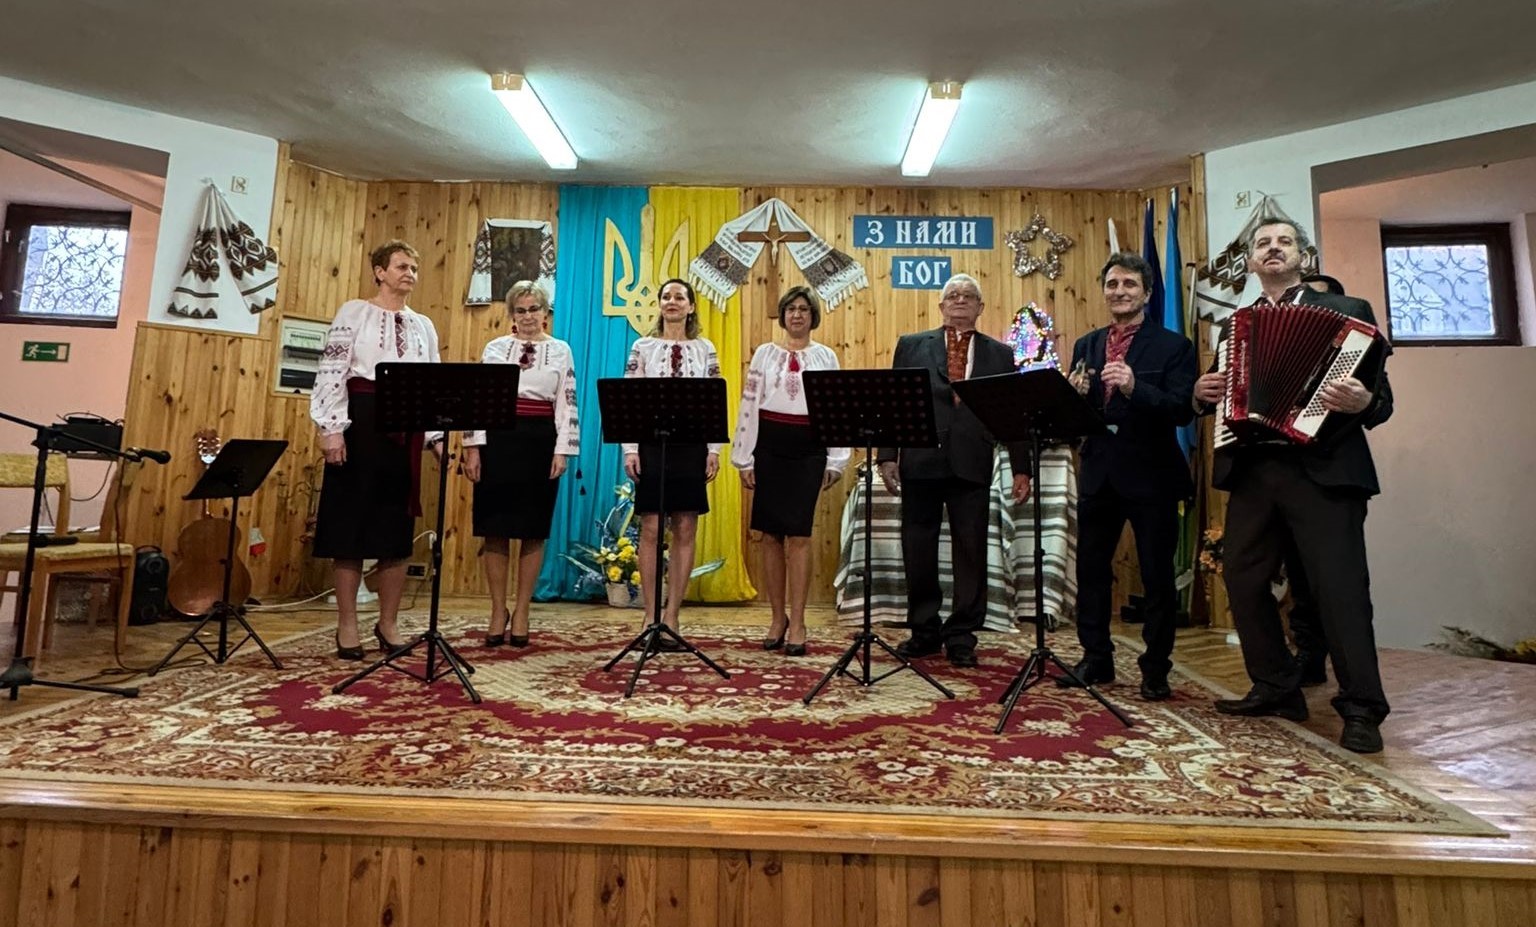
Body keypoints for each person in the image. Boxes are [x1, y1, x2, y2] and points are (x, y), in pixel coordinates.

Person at [1194, 218, 1394, 753]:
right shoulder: (1236, 326)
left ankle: (1362, 708)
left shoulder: (1349, 312)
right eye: (1263, 244)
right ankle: (1276, 685)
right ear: (1252, 262)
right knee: (1242, 577)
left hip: (1323, 469)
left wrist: (1364, 402)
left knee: (1339, 589)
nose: (1273, 248)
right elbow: (1221, 393)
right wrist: (1202, 392)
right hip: (1256, 469)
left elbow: (1382, 401)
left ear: (1303, 256)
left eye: (1284, 241)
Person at [1060, 253, 1197, 701]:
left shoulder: (1174, 346)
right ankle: (1095, 658)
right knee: (1091, 571)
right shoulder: (1088, 344)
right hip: (1099, 473)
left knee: (1156, 576)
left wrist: (1137, 387)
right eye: (1112, 284)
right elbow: (1082, 418)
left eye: (1129, 285)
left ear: (1147, 293)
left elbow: (1182, 409)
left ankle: (1155, 668)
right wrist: (1076, 397)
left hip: (1152, 474)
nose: (1120, 291)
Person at [877, 273, 1032, 669]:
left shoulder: (1001, 354)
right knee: (918, 548)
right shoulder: (912, 345)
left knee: (971, 550)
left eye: (968, 296)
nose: (960, 300)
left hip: (972, 461)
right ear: (941, 306)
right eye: (953, 295)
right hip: (920, 459)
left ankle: (962, 634)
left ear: (980, 308)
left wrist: (1021, 467)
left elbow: (1011, 412)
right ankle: (924, 630)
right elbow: (894, 402)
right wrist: (887, 455)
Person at [310, 240, 443, 660]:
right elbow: (332, 371)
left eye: (414, 268)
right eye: (402, 266)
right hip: (360, 422)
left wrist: (436, 438)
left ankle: (388, 622)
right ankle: (347, 625)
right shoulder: (354, 312)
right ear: (380, 271)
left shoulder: (423, 325)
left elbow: (432, 384)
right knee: (349, 529)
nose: (410, 274)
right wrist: (331, 429)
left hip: (406, 428)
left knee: (396, 533)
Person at [731, 286, 850, 657]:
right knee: (770, 535)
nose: (797, 314)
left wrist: (836, 459)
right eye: (791, 309)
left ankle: (798, 621)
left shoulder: (826, 357)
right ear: (782, 316)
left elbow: (837, 410)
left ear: (813, 316)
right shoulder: (765, 354)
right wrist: (744, 457)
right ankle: (777, 618)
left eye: (804, 309)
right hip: (769, 446)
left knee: (799, 535)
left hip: (809, 449)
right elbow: (749, 404)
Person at [461, 281, 579, 648]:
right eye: (521, 310)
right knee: (494, 528)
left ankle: (523, 610)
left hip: (539, 441)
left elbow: (567, 402)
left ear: (545, 313)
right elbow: (478, 401)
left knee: (533, 529)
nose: (528, 316)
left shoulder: (561, 350)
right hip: (498, 440)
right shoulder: (495, 348)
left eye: (534, 309)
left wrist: (563, 450)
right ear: (512, 314)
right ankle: (498, 610)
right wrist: (473, 447)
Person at [622, 278, 723, 643]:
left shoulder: (705, 348)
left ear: (691, 306)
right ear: (660, 305)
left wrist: (713, 449)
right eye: (666, 296)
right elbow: (629, 401)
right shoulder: (642, 346)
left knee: (685, 527)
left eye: (680, 296)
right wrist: (630, 449)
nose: (672, 301)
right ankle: (649, 616)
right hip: (652, 443)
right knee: (650, 528)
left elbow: (714, 402)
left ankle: (672, 616)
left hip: (691, 445)